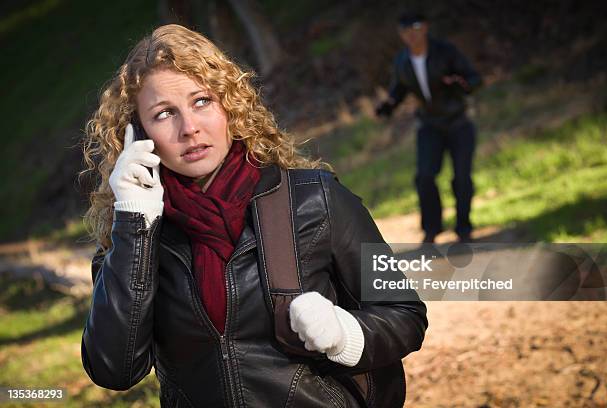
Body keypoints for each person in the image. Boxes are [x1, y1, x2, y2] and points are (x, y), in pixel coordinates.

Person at [80, 24, 428, 407]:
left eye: (201, 101)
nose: (189, 128)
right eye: (164, 114)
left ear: (230, 104)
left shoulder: (317, 199)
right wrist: (134, 225)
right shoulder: (133, 234)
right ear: (138, 133)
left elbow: (405, 315)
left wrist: (345, 334)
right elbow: (114, 370)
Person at [376, 12, 482, 243]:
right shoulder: (402, 61)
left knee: (462, 177)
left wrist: (461, 85)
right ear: (401, 35)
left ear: (425, 28)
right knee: (424, 177)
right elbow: (399, 89)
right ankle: (432, 229)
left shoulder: (446, 51)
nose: (411, 35)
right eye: (405, 31)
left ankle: (464, 228)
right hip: (429, 125)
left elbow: (474, 78)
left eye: (415, 28)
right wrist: (389, 105)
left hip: (458, 122)